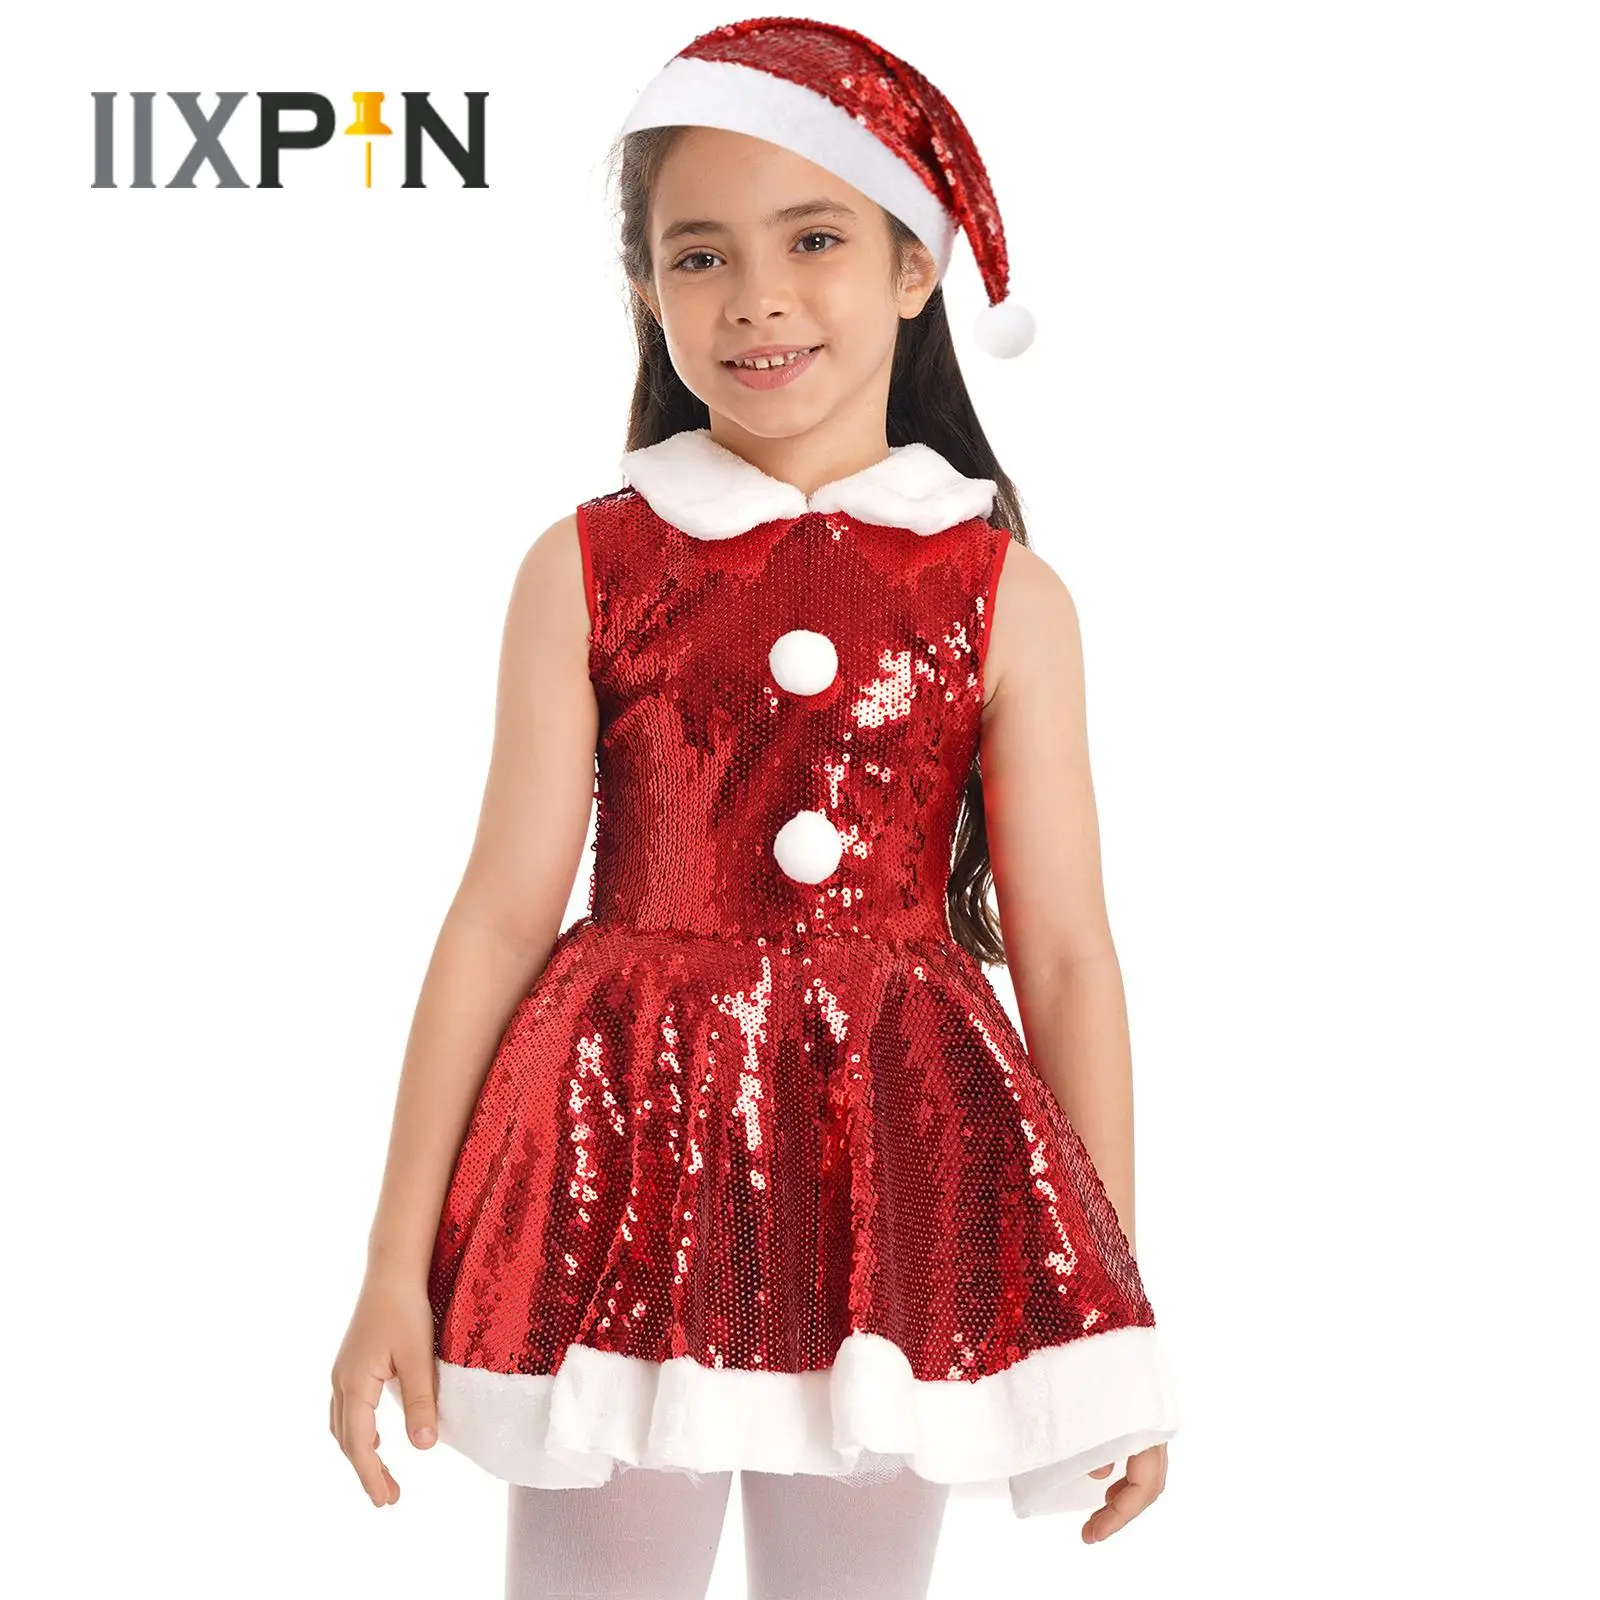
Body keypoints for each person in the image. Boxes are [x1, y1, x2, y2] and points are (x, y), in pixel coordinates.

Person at [329, 16, 1180, 1597]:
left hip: (897, 1173)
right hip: (619, 1156)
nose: (757, 296)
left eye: (814, 239)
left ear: (916, 267)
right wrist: (393, 1260)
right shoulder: (589, 566)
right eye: (699, 255)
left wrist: (1103, 1315)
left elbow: (1067, 957)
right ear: (647, 291)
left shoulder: (1004, 595)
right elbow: (501, 917)